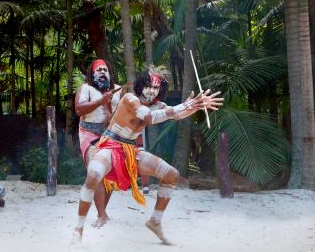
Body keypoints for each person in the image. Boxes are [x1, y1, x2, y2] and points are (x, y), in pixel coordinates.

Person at [73, 66, 223, 244]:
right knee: (94, 173)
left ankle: (155, 221)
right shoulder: (130, 98)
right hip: (110, 146)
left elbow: (178, 114)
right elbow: (149, 117)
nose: (152, 90)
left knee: (172, 175)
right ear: (141, 85)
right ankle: (78, 229)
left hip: (130, 150)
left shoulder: (158, 105)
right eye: (149, 86)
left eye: (156, 87)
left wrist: (197, 105)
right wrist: (184, 105)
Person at [74, 59, 122, 228]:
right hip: (89, 134)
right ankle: (102, 216)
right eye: (98, 70)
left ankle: (103, 213)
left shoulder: (118, 90)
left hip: (111, 136)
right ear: (92, 74)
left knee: (110, 175)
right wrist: (101, 101)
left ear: (109, 74)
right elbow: (79, 109)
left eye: (105, 70)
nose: (102, 72)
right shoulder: (85, 89)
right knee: (96, 171)